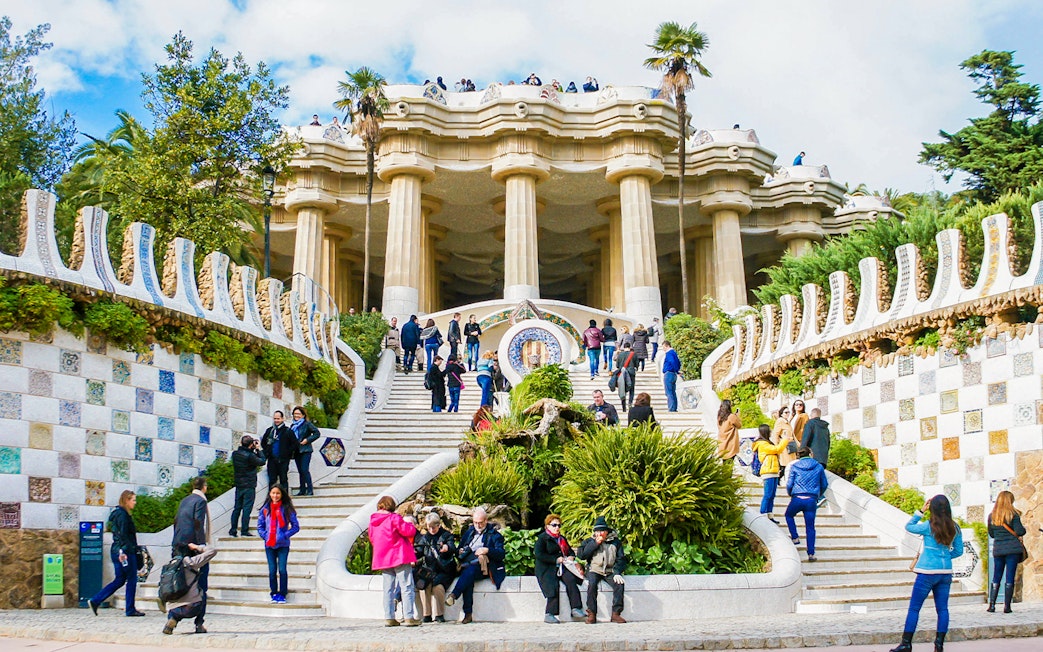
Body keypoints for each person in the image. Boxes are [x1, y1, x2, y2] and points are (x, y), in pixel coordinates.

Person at [889, 495, 963, 652]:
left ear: (933, 508)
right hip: (945, 572)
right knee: (942, 609)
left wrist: (921, 510)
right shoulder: (955, 527)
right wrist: (945, 556)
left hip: (927, 572)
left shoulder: (928, 526)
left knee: (915, 608)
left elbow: (909, 526)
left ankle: (906, 643)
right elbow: (959, 550)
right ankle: (939, 645)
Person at [88, 490, 144, 616]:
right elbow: (123, 535)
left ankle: (96, 600)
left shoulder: (117, 514)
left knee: (120, 579)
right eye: (133, 500)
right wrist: (124, 551)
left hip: (117, 550)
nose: (135, 503)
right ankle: (130, 609)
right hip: (125, 552)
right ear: (126, 500)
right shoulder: (123, 516)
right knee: (131, 579)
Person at [446, 507, 506, 624]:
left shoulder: (495, 535)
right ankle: (467, 613)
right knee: (468, 577)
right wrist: (461, 551)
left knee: (470, 572)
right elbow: (458, 550)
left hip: (485, 567)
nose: (478, 525)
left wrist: (487, 550)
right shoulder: (469, 532)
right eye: (475, 522)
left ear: (486, 520)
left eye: (480, 522)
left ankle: (455, 595)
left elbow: (501, 554)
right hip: (467, 564)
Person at [369, 496, 420, 627]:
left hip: (383, 558)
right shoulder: (393, 518)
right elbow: (409, 531)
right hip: (399, 555)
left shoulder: (373, 521)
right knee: (406, 586)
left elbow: (372, 538)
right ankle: (409, 617)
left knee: (388, 589)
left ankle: (389, 617)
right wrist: (409, 524)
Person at [171, 476, 211, 632]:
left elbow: (176, 521)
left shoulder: (185, 500)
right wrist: (201, 546)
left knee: (179, 581)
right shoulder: (200, 501)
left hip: (179, 544)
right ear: (204, 487)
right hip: (193, 546)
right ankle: (199, 623)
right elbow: (198, 523)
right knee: (202, 584)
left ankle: (172, 618)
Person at [534, 514, 584, 623]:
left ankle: (576, 608)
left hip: (563, 566)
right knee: (553, 586)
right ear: (547, 526)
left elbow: (569, 551)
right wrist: (555, 559)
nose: (557, 527)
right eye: (554, 525)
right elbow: (539, 554)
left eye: (559, 525)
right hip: (547, 568)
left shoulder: (562, 539)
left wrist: (571, 556)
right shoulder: (543, 538)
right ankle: (550, 614)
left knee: (571, 580)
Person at [576, 516, 626, 624]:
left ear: (607, 532)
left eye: (602, 531)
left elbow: (621, 559)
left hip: (610, 570)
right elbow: (582, 555)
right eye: (597, 531)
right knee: (592, 585)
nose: (600, 534)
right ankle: (592, 613)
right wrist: (595, 544)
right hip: (594, 569)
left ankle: (616, 614)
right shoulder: (589, 541)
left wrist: (617, 572)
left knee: (619, 585)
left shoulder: (615, 542)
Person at [160, 542, 217, 635]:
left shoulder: (168, 566)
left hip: (174, 609)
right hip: (191, 607)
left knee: (174, 607)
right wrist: (196, 547)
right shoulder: (190, 562)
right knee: (203, 593)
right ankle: (199, 624)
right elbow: (212, 551)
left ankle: (172, 619)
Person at [257, 485, 299, 603]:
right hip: (269, 544)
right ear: (270, 494)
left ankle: (283, 593)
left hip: (283, 544)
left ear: (282, 495)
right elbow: (260, 526)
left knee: (282, 569)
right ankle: (274, 592)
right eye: (273, 493)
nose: (275, 496)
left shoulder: (287, 509)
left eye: (278, 493)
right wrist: (265, 536)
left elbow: (296, 526)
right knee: (272, 570)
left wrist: (285, 535)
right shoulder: (265, 509)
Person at [987, 490, 1027, 614]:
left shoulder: (992, 516)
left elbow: (992, 534)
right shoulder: (1013, 514)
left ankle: (992, 605)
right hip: (1012, 550)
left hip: (998, 549)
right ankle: (1007, 606)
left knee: (996, 576)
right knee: (1010, 577)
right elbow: (1020, 531)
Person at [785, 447, 828, 562]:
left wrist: (791, 493)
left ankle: (795, 537)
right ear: (810, 454)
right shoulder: (818, 466)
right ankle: (811, 554)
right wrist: (818, 495)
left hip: (797, 498)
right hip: (811, 500)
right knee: (810, 527)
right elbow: (824, 484)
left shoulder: (794, 466)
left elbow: (789, 484)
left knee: (788, 515)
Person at [414, 512, 458, 623]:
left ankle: (439, 614)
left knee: (438, 587)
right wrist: (413, 554)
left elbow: (453, 547)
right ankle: (427, 614)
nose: (432, 529)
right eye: (429, 527)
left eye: (434, 527)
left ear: (439, 525)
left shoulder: (446, 535)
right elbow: (419, 552)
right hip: (430, 570)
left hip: (445, 570)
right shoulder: (425, 538)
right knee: (423, 585)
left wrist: (447, 548)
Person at [752, 424, 790, 524]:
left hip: (774, 471)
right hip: (767, 471)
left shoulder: (768, 443)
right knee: (768, 494)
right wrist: (785, 440)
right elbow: (778, 449)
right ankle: (763, 514)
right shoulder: (762, 444)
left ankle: (769, 514)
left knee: (772, 495)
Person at [229, 435, 265, 537]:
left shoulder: (235, 454)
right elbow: (262, 461)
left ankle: (233, 530)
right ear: (250, 444)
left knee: (237, 508)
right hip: (249, 484)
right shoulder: (250, 456)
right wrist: (258, 450)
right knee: (247, 508)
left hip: (239, 484)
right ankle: (244, 530)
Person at [801, 408, 831, 506]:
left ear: (811, 414)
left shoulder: (810, 424)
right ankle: (817, 498)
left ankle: (819, 497)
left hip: (813, 455)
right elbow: (828, 442)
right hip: (823, 456)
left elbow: (806, 438)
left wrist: (801, 452)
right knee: (818, 476)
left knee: (811, 477)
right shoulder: (825, 427)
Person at [261, 411, 298, 489]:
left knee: (283, 480)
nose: (276, 421)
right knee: (272, 480)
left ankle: (285, 500)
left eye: (278, 418)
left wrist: (287, 453)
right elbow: (263, 442)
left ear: (282, 419)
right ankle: (271, 500)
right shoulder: (270, 430)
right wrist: (267, 451)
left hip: (283, 460)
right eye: (275, 419)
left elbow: (295, 444)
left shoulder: (288, 431)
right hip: (272, 459)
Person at [289, 406, 321, 496]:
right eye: (295, 414)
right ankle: (302, 489)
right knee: (300, 471)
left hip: (305, 450)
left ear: (303, 415)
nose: (296, 416)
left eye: (298, 414)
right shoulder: (293, 426)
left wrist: (307, 440)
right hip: (296, 450)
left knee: (304, 469)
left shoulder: (307, 424)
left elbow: (317, 433)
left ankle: (310, 489)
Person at [773, 405, 797, 479]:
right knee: (785, 464)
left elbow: (792, 433)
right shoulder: (780, 421)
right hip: (784, 447)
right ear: (781, 413)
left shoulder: (787, 422)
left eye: (788, 412)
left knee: (790, 465)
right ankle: (778, 479)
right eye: (786, 412)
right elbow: (775, 434)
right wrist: (776, 447)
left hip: (790, 445)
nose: (788, 414)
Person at [614, 342, 638, 412]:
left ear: (623, 347)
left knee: (622, 389)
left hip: (622, 373)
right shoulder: (634, 354)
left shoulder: (620, 354)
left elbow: (617, 365)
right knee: (632, 389)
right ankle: (630, 403)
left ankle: (623, 406)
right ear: (630, 347)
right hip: (631, 373)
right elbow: (637, 364)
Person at [661, 340, 681, 412]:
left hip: (669, 373)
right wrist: (677, 370)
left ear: (667, 346)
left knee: (669, 392)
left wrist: (675, 369)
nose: (663, 349)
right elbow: (678, 362)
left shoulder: (669, 353)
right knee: (673, 391)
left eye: (663, 347)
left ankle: (671, 408)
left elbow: (672, 361)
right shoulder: (674, 353)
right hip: (673, 374)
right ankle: (674, 407)